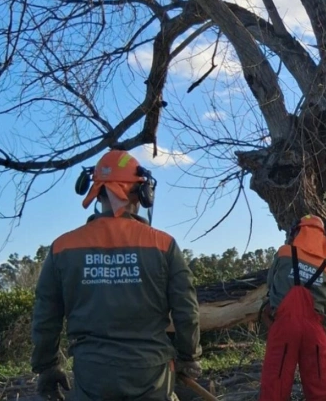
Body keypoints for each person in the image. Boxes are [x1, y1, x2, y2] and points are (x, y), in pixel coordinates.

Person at [30, 149, 202, 401]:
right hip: (151, 375)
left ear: (97, 190)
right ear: (141, 192)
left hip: (92, 374)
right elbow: (186, 310)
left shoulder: (62, 247)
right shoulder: (164, 245)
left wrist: (47, 367)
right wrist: (188, 357)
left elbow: (46, 317)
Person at [259, 214, 326, 401]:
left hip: (284, 326)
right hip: (315, 331)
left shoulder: (284, 252)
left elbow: (270, 285)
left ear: (297, 232)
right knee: (322, 388)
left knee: (274, 386)